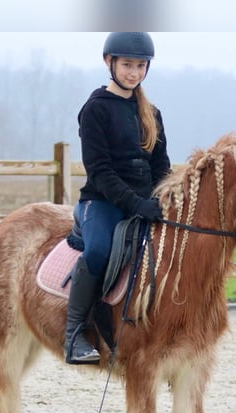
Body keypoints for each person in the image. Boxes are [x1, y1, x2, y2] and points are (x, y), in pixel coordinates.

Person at [64, 32, 171, 364]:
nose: (134, 73)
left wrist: (162, 198)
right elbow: (100, 171)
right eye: (127, 65)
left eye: (141, 66)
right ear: (109, 62)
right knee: (98, 251)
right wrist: (136, 203)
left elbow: (161, 166)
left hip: (144, 203)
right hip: (102, 202)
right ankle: (75, 333)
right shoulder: (95, 109)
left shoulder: (150, 113)